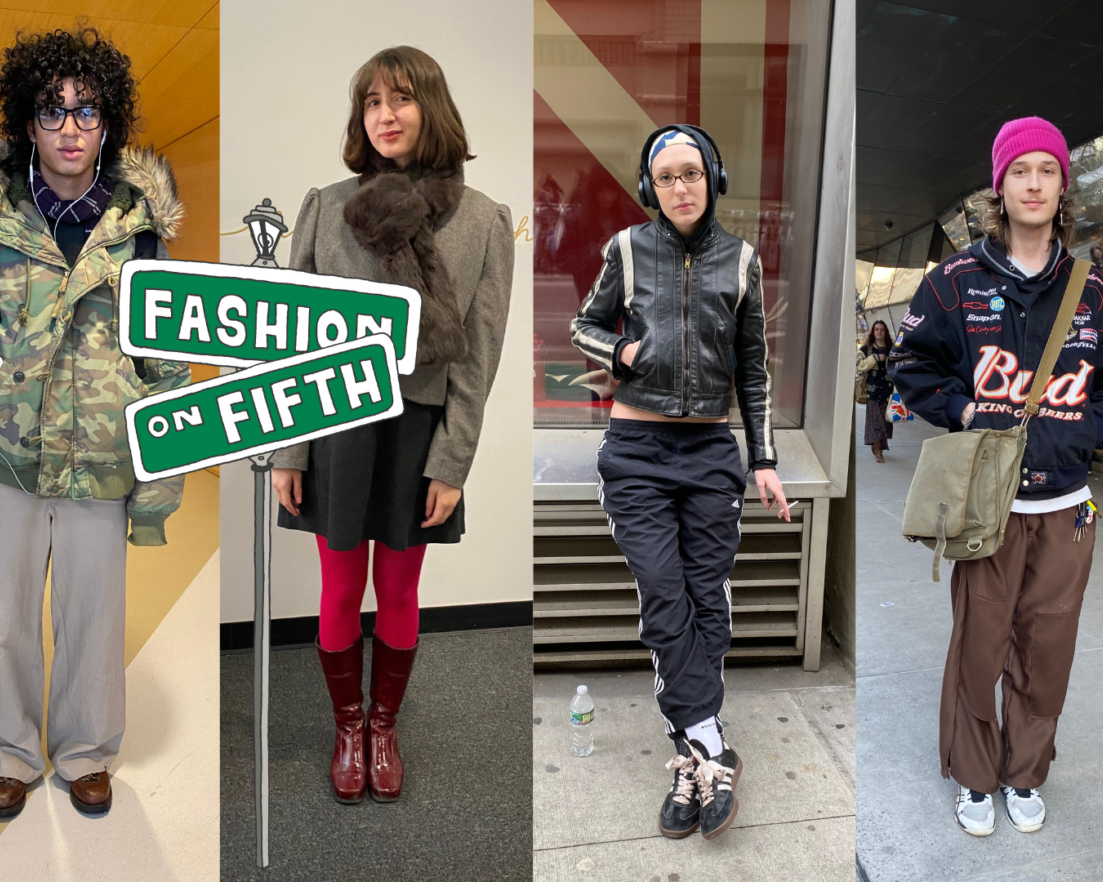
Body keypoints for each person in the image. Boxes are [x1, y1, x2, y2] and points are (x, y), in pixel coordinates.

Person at [0, 28, 188, 820]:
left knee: (94, 622)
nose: (70, 127)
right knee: (1, 622)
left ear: (108, 123)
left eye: (87, 110)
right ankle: (6, 754)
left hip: (106, 458)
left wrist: (159, 485)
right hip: (6, 459)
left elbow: (167, 370)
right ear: (27, 124)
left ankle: (85, 753)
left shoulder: (142, 236)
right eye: (52, 110)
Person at [889, 116, 1103, 837]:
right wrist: (964, 406)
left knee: (1046, 651)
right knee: (980, 645)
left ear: (1062, 185)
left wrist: (1091, 431)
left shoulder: (1093, 291)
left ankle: (1024, 772)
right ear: (999, 186)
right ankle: (975, 777)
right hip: (985, 508)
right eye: (1019, 170)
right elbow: (910, 368)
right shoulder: (953, 282)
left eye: (1046, 170)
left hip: (1067, 510)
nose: (1033, 183)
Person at [269, 46, 514, 805]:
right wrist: (289, 446)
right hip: (337, 421)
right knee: (341, 587)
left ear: (430, 109)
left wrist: (453, 461)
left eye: (400, 98)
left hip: (420, 429)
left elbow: (477, 355)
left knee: (401, 589)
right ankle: (348, 725)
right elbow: (288, 338)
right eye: (371, 102)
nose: (384, 114)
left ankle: (385, 722)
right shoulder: (324, 206)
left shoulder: (483, 221)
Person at [571, 124, 789, 841]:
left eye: (691, 173)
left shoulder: (742, 260)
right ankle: (711, 751)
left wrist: (763, 460)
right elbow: (582, 324)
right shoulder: (627, 250)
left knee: (707, 602)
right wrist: (621, 347)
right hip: (634, 450)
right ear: (649, 187)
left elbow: (751, 369)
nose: (680, 187)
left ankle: (689, 760)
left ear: (713, 177)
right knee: (664, 593)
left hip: (708, 457)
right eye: (666, 178)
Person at [859, 320, 894, 462]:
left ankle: (879, 447)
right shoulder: (867, 348)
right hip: (871, 391)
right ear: (873, 332)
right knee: (875, 422)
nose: (879, 332)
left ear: (885, 332)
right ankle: (877, 449)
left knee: (885, 423)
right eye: (877, 329)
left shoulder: (892, 349)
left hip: (887, 392)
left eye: (882, 330)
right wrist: (874, 358)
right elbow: (859, 365)